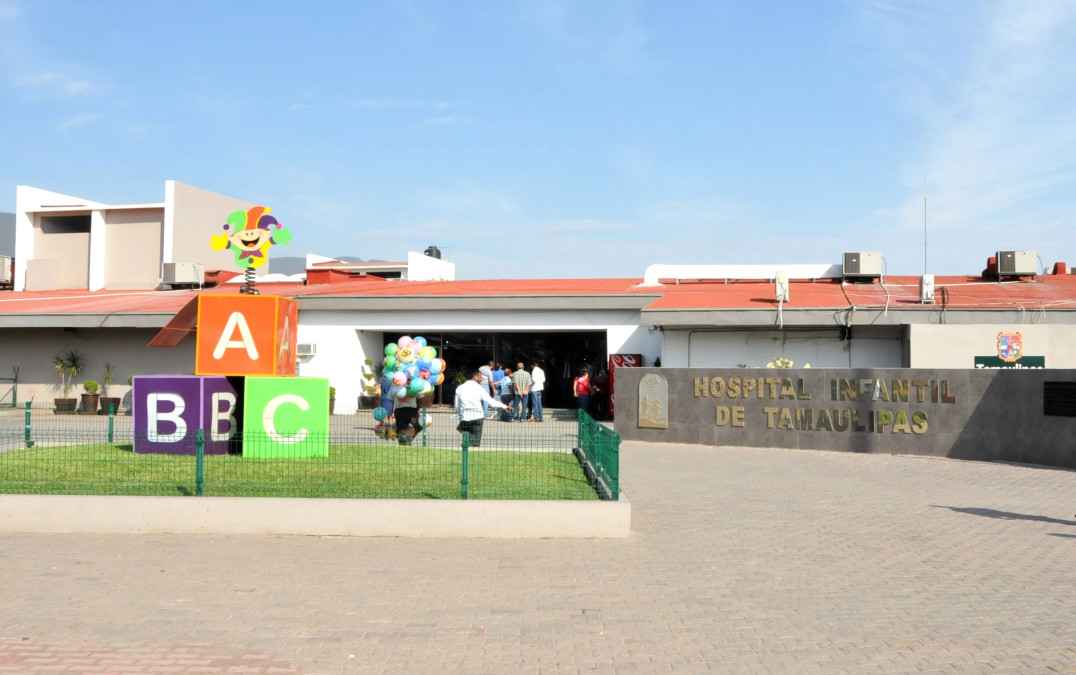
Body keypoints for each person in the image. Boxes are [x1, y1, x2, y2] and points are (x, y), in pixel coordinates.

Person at [455, 368, 509, 447]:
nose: (481, 379)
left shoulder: (460, 388)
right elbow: (491, 402)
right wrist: (504, 406)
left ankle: (466, 449)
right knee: (476, 441)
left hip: (465, 417)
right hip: (478, 417)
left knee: (465, 436)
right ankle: (472, 444)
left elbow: (456, 406)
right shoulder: (480, 388)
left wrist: (461, 413)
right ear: (475, 377)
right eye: (480, 377)